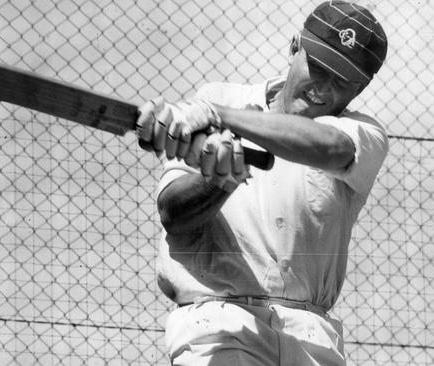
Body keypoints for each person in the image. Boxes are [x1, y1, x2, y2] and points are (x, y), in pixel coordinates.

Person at [136, 1, 389, 364]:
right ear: (294, 46)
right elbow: (173, 214)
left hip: (312, 335)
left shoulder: (364, 134)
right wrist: (218, 181)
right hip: (220, 323)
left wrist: (222, 119)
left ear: (361, 88)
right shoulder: (218, 97)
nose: (323, 87)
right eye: (317, 67)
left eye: (341, 81)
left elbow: (331, 147)